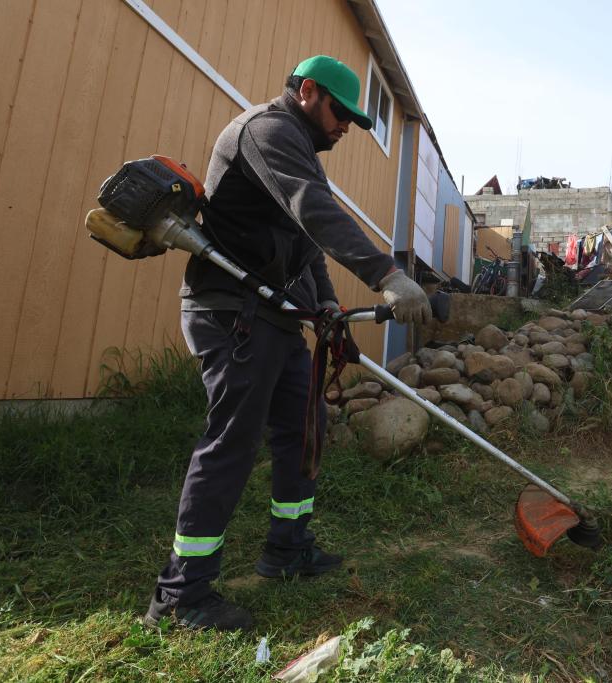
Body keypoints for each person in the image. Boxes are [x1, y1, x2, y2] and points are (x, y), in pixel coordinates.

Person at [143, 55, 431, 631]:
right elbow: (316, 212)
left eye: (352, 120)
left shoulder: (298, 147)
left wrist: (328, 307)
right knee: (232, 441)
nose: (346, 126)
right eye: (340, 113)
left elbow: (305, 244)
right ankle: (180, 595)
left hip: (273, 316)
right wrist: (387, 273)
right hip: (232, 313)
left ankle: (287, 549)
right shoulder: (267, 132)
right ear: (307, 92)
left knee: (305, 426)